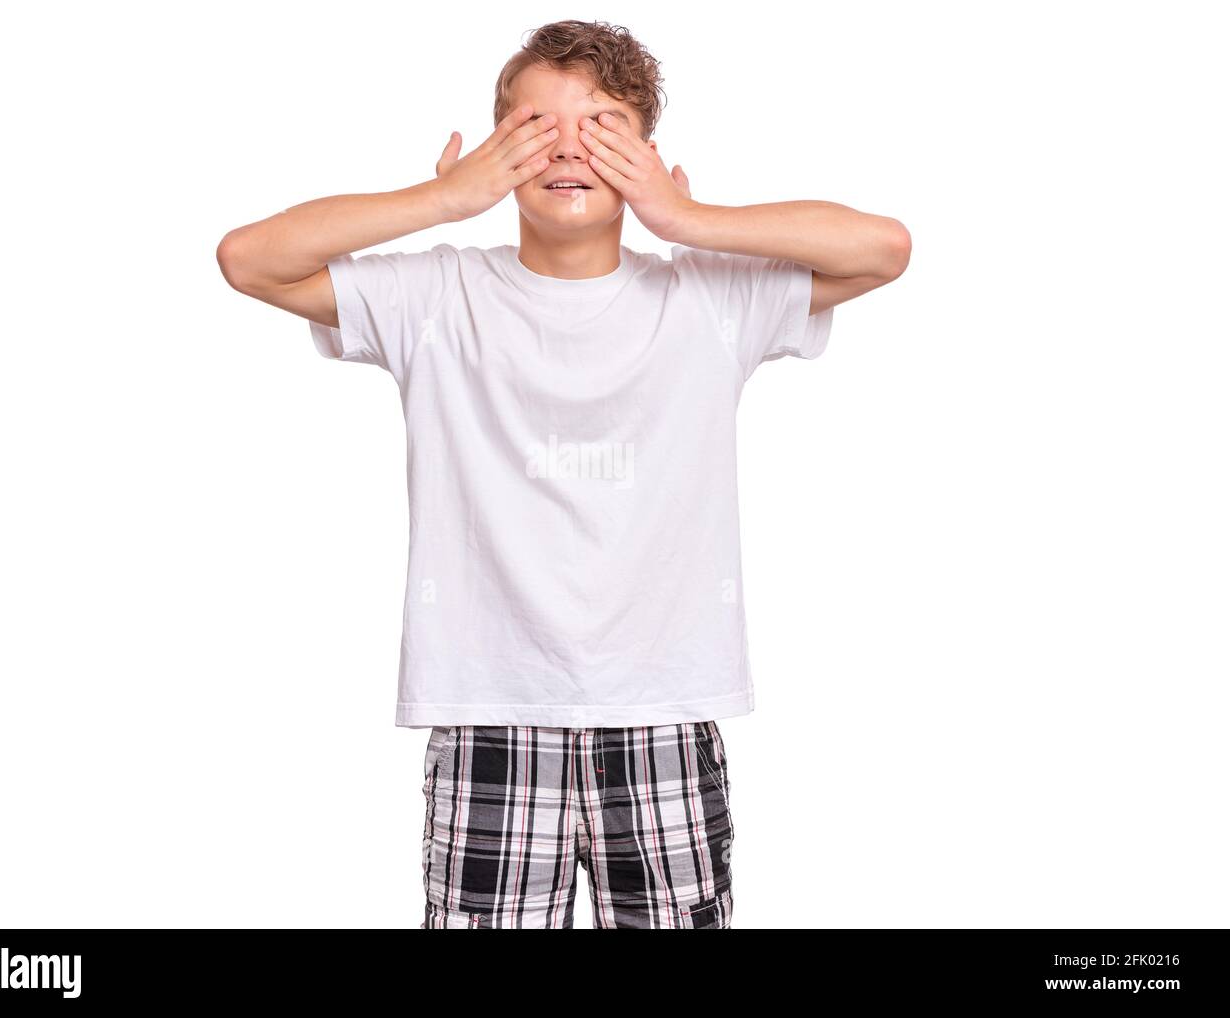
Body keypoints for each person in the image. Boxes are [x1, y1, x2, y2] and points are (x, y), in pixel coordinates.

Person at [216, 19, 910, 929]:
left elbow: (885, 248)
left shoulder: (708, 296)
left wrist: (681, 219)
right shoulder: (438, 295)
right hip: (487, 711)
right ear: (499, 145)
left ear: (645, 154)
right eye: (538, 127)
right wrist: (442, 197)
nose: (568, 150)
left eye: (601, 127)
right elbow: (247, 259)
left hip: (663, 710)